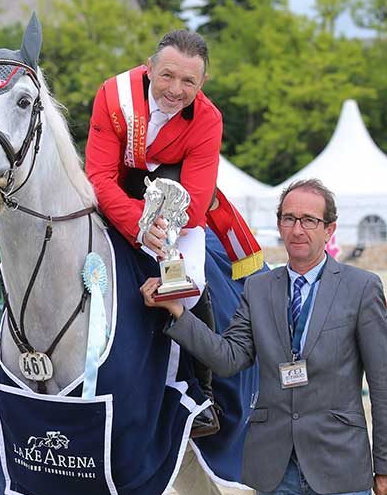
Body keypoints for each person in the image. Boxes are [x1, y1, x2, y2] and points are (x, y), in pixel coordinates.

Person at [140, 179, 387, 495]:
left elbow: (383, 383)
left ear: (329, 229)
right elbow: (228, 358)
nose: (298, 229)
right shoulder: (259, 287)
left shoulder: (361, 288)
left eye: (309, 220)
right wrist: (177, 312)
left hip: (339, 463)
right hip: (275, 469)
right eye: (289, 218)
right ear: (279, 224)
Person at [85, 29, 263, 437]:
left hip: (177, 208)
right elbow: (97, 175)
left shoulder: (208, 118)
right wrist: (137, 225)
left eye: (189, 82)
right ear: (148, 69)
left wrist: (160, 231)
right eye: (167, 76)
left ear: (201, 85)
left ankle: (202, 394)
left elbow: (197, 202)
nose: (175, 89)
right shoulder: (113, 97)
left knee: (192, 284)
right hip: (117, 197)